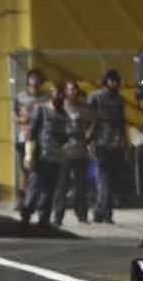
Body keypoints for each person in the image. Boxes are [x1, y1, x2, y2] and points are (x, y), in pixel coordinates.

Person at [20, 82, 72, 228]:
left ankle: (44, 218)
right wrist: (29, 154)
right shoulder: (41, 109)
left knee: (49, 189)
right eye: (57, 93)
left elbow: (66, 135)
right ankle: (26, 214)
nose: (60, 97)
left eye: (62, 94)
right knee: (35, 186)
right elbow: (31, 131)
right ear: (51, 95)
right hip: (41, 155)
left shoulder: (64, 115)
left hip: (56, 157)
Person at [87, 69, 130, 223]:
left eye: (116, 81)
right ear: (106, 81)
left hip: (114, 143)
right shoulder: (96, 97)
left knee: (108, 180)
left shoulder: (118, 100)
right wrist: (89, 140)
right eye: (112, 80)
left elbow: (121, 122)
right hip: (100, 142)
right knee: (104, 179)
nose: (115, 83)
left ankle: (101, 211)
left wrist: (124, 141)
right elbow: (89, 120)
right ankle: (105, 212)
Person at [51, 81, 94, 225]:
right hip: (64, 150)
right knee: (61, 185)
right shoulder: (60, 107)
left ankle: (82, 214)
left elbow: (93, 122)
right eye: (70, 90)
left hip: (80, 150)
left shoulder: (84, 108)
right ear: (65, 92)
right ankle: (58, 215)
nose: (73, 92)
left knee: (81, 185)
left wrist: (89, 135)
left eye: (75, 89)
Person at [12, 69, 46, 201]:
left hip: (41, 138)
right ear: (28, 81)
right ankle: (22, 198)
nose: (35, 81)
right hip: (24, 137)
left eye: (37, 79)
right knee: (24, 169)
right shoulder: (20, 97)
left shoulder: (45, 98)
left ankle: (35, 197)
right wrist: (22, 119)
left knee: (38, 170)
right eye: (32, 78)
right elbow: (14, 115)